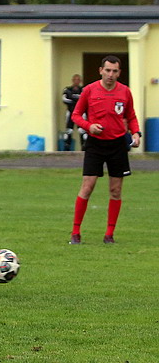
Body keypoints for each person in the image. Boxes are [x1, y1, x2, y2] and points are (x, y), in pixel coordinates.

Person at [69, 55, 141, 245]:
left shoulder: (125, 92)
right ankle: (75, 233)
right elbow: (76, 115)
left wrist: (136, 133)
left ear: (119, 73)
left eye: (114, 71)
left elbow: (131, 116)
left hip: (117, 145)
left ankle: (109, 235)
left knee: (115, 190)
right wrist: (89, 126)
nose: (110, 74)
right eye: (107, 70)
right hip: (95, 144)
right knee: (88, 186)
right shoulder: (89, 90)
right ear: (101, 70)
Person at [62, 74, 87, 150]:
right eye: (75, 79)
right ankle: (67, 148)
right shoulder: (67, 89)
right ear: (72, 80)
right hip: (70, 112)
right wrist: (78, 101)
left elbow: (86, 100)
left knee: (82, 131)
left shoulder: (84, 90)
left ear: (80, 81)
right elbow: (65, 100)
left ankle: (84, 148)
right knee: (69, 130)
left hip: (81, 113)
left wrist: (73, 99)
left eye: (78, 80)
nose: (76, 81)